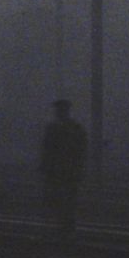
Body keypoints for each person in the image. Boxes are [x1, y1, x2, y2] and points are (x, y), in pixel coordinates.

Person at [37, 98, 88, 237]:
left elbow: (47, 149)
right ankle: (65, 225)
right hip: (65, 171)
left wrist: (45, 166)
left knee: (62, 199)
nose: (58, 112)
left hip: (62, 171)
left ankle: (64, 225)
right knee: (65, 199)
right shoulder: (74, 128)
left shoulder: (56, 129)